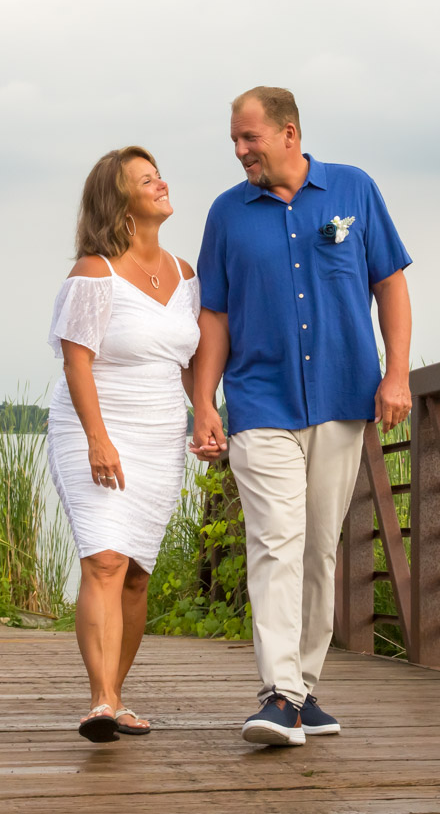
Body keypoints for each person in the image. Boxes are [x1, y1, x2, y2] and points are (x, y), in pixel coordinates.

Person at [191, 87, 413, 746]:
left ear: (289, 133)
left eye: (249, 138)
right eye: (234, 139)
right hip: (260, 400)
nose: (239, 151)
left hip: (344, 396)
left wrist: (396, 372)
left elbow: (390, 283)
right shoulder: (227, 215)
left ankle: (304, 687)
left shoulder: (354, 190)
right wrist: (204, 401)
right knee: (276, 539)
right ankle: (280, 692)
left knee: (318, 546)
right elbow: (216, 315)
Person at [45, 146, 200, 743]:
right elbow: (76, 360)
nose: (161, 183)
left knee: (136, 573)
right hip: (96, 429)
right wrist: (97, 438)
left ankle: (117, 694)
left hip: (161, 434)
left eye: (159, 173)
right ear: (120, 201)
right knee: (104, 559)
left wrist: (206, 414)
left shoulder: (186, 276)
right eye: (145, 179)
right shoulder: (94, 272)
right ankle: (102, 701)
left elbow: (190, 364)